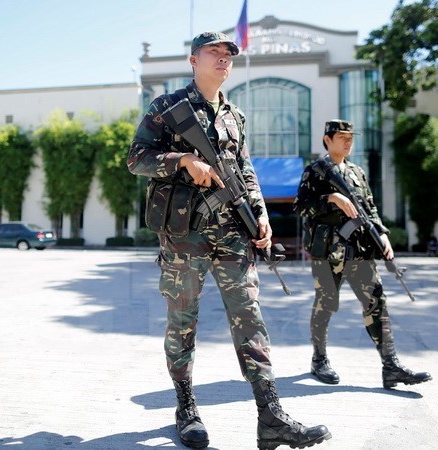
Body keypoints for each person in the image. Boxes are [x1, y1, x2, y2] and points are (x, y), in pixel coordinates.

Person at [127, 32, 331, 449]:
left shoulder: (234, 115)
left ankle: (271, 415)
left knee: (250, 318)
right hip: (185, 235)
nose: (223, 60)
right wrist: (182, 160)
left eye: (228, 55)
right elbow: (136, 157)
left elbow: (246, 169)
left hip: (233, 235)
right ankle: (186, 408)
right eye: (214, 53)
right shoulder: (167, 108)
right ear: (193, 59)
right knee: (182, 322)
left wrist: (260, 214)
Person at [293, 120, 432, 390]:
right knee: (326, 304)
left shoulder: (357, 172)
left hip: (360, 250)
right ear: (327, 139)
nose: (348, 142)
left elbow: (370, 208)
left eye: (350, 138)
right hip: (328, 253)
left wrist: (382, 235)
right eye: (342, 137)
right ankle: (319, 359)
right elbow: (301, 206)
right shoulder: (316, 171)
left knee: (376, 302)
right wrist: (331, 199)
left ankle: (390, 365)